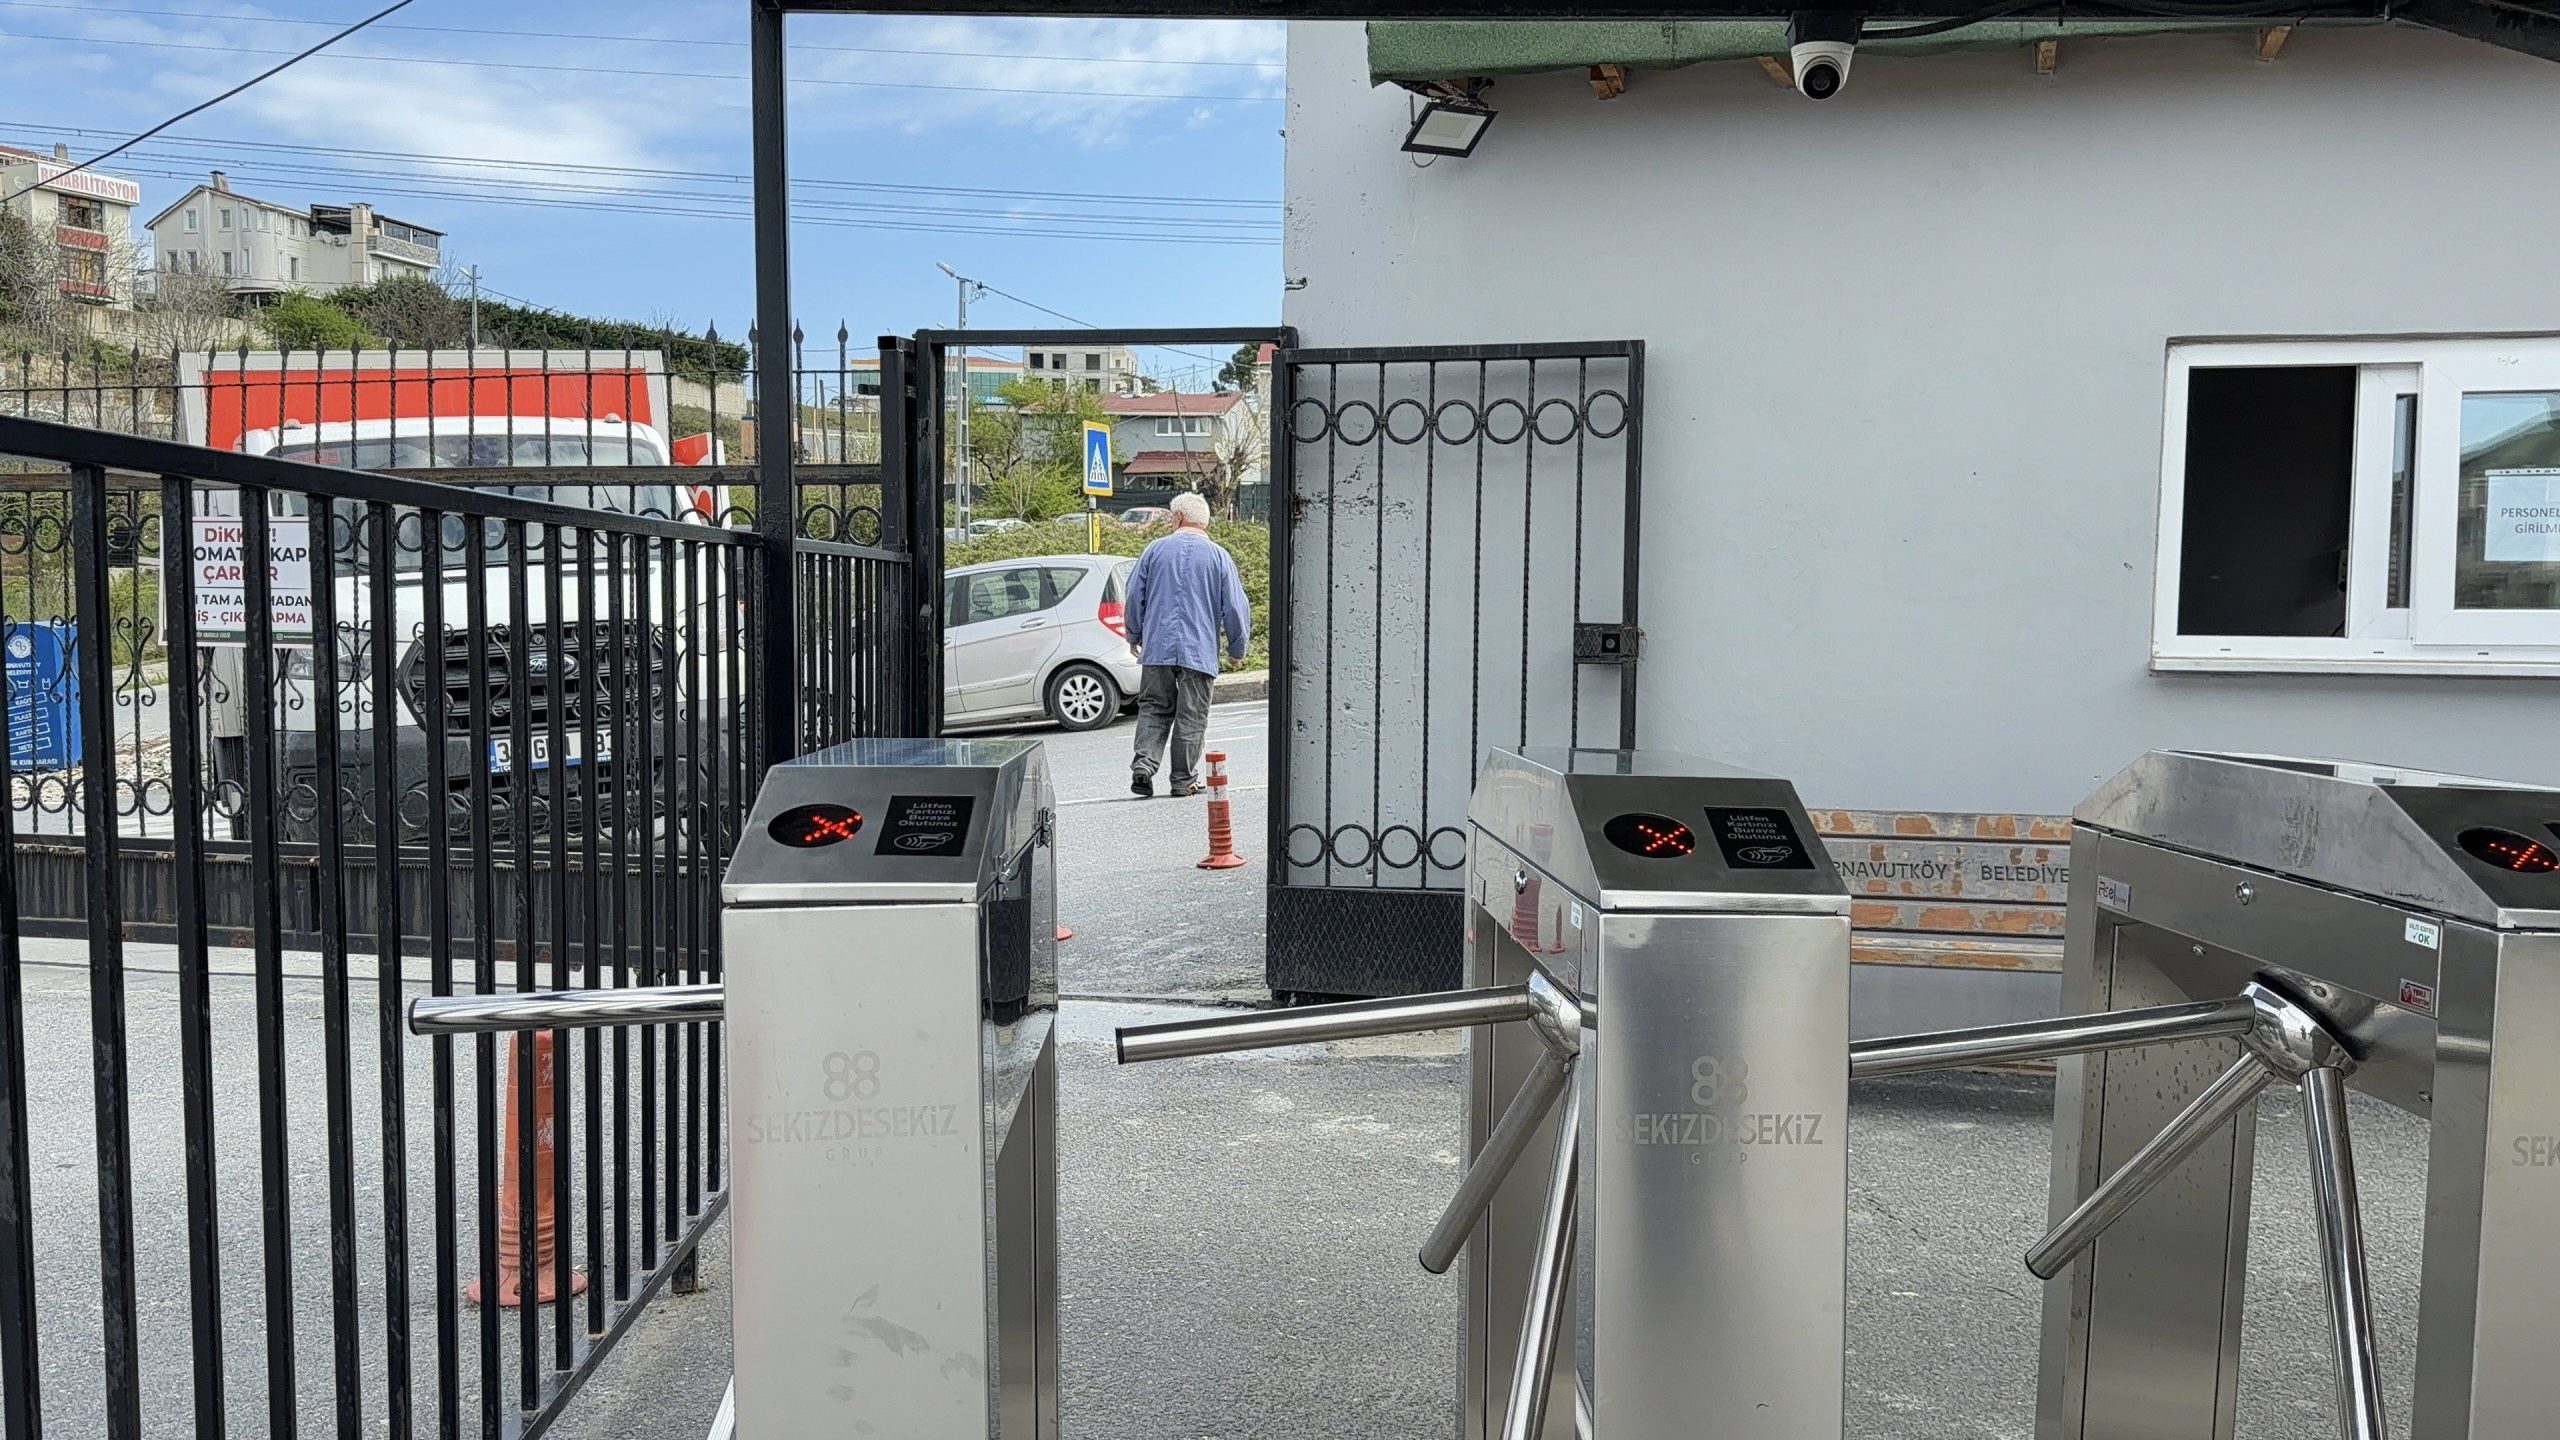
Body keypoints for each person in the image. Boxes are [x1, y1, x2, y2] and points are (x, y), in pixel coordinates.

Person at [1121, 491, 1249, 798]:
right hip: (1199, 650)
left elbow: (1134, 595)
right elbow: (1235, 606)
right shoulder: (1219, 556)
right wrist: (1237, 648)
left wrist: (1134, 634)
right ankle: (1182, 780)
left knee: (1154, 707)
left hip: (1158, 647)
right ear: (1204, 522)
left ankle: (1144, 766)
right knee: (1192, 715)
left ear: (1177, 517)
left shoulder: (1154, 550)